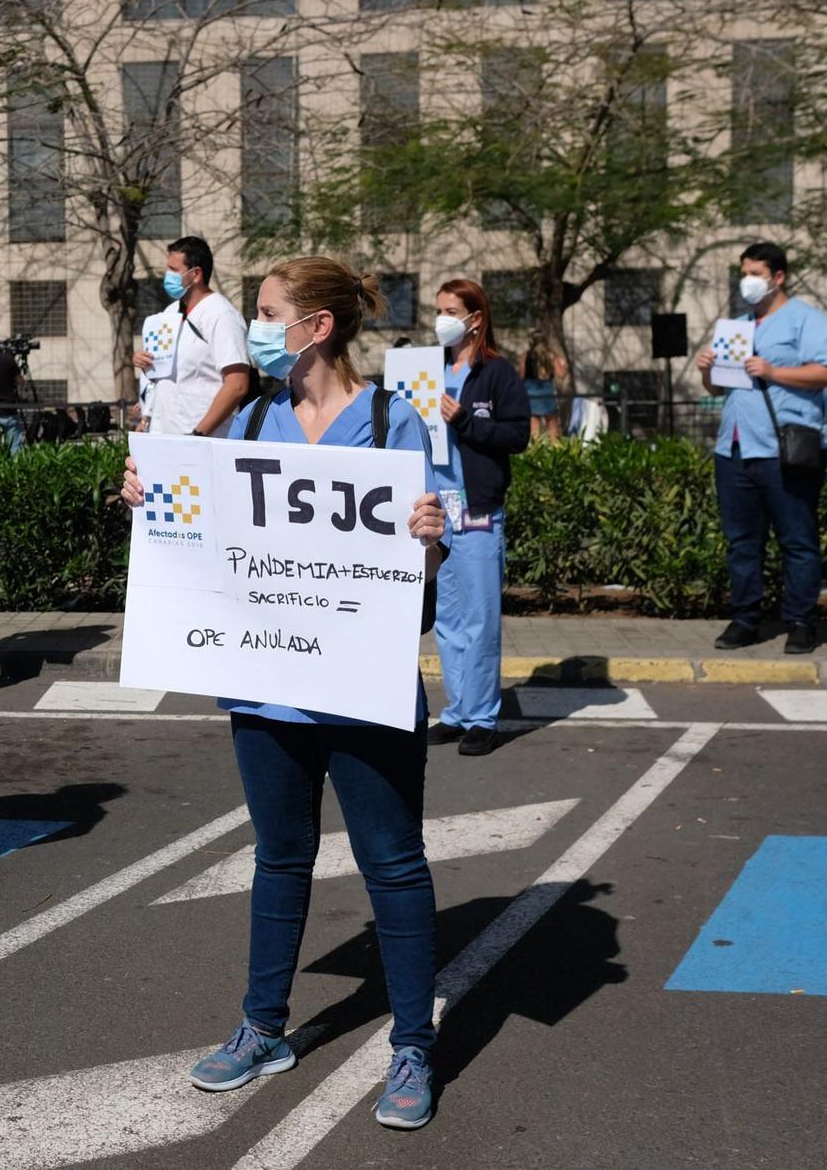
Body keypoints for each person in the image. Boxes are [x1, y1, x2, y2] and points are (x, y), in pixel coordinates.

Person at [121, 255, 448, 1130]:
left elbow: (420, 585)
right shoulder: (254, 420)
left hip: (362, 684)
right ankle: (262, 1026)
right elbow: (199, 529)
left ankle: (413, 1044)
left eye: (266, 313)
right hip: (266, 688)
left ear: (318, 327)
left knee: (393, 862)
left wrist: (428, 538)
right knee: (278, 857)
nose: (253, 326)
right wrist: (149, 501)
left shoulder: (391, 425)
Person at [697, 241, 827, 655]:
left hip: (784, 450)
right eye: (743, 272)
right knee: (742, 542)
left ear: (778, 277)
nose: (748, 281)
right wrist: (708, 372)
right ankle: (745, 619)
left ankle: (800, 621)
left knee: (797, 540)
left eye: (756, 273)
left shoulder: (808, 320)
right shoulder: (737, 326)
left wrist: (774, 370)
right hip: (735, 448)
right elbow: (718, 387)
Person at [426, 279, 531, 758]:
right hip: (438, 507)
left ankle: (484, 717)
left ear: (475, 318)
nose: (441, 319)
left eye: (451, 310)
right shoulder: (429, 371)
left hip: (478, 506)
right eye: (438, 309)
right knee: (447, 616)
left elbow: (517, 435)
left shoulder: (498, 373)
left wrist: (466, 421)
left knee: (480, 617)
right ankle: (457, 710)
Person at [134, 235, 251, 437]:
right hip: (162, 435)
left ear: (196, 274)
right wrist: (144, 362)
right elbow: (164, 376)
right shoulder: (170, 313)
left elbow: (237, 384)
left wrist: (198, 433)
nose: (167, 276)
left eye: (173, 270)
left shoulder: (222, 315)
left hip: (202, 441)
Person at [522, 338, 567, 441]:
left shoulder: (526, 355)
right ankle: (554, 450)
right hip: (547, 390)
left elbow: (521, 375)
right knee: (552, 425)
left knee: (534, 427)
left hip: (531, 391)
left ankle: (536, 452)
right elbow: (561, 374)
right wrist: (565, 367)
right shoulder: (551, 356)